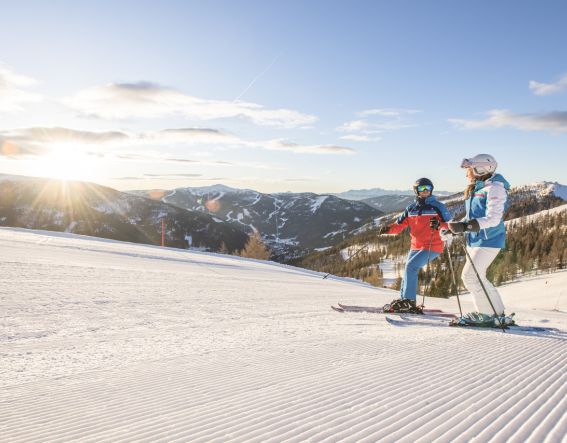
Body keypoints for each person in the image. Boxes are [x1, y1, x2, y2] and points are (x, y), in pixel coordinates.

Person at [445, 154, 514, 327]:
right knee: (479, 277)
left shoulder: (495, 188)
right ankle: (497, 313)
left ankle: (486, 314)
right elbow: (472, 217)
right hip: (476, 240)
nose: (466, 173)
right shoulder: (477, 188)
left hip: (489, 239)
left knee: (469, 277)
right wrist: (456, 228)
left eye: (469, 169)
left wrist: (466, 227)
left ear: (480, 169)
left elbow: (493, 219)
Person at [379, 178, 452, 313]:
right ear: (416, 191)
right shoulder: (411, 209)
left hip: (433, 245)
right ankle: (404, 299)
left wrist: (439, 225)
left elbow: (450, 225)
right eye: (421, 189)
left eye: (427, 189)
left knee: (411, 267)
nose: (425, 191)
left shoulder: (438, 206)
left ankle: (409, 301)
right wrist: (388, 229)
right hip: (416, 246)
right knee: (408, 270)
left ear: (431, 190)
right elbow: (399, 225)